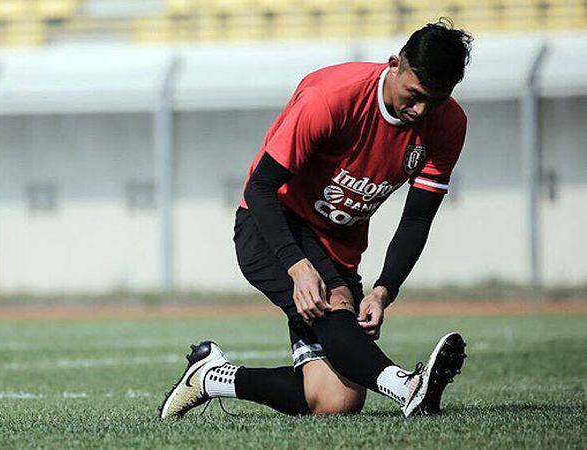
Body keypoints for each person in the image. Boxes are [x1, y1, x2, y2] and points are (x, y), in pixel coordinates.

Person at [160, 19, 471, 419]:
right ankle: (405, 387)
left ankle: (209, 377)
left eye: (436, 100)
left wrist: (383, 290)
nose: (420, 110)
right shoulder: (331, 98)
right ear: (395, 64)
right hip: (272, 226)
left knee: (334, 401)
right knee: (334, 303)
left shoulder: (448, 124)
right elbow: (260, 188)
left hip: (337, 248)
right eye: (414, 95)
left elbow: (416, 221)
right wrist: (297, 265)